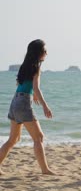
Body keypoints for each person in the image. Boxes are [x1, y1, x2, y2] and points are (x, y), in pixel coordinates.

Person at [0, 39, 55, 175]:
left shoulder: (24, 66)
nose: (46, 53)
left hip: (15, 102)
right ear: (39, 53)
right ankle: (45, 170)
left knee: (13, 139)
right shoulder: (36, 68)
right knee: (39, 137)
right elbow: (36, 88)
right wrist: (45, 106)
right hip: (23, 103)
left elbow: (22, 84)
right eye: (45, 51)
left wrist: (33, 95)